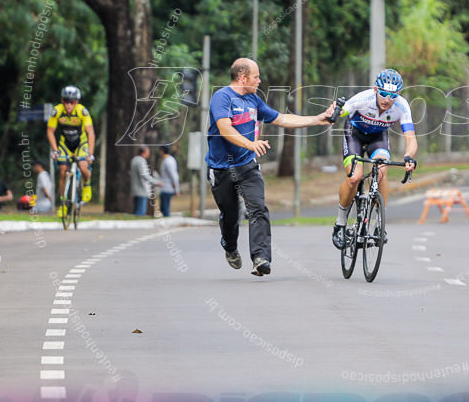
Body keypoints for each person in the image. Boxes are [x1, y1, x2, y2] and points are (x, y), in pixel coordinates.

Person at [206, 57, 336, 276]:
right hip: (221, 169)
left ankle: (260, 258)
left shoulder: (254, 100)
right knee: (230, 215)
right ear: (243, 77)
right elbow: (224, 128)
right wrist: (250, 143)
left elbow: (283, 119)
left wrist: (317, 119)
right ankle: (229, 246)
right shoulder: (222, 97)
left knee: (258, 208)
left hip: (246, 165)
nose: (260, 80)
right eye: (256, 77)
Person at [331, 68, 418, 250]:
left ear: (398, 95)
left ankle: (379, 224)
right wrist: (335, 111)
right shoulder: (363, 98)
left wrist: (409, 157)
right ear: (376, 90)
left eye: (392, 95)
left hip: (378, 137)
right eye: (384, 94)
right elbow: (340, 113)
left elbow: (411, 138)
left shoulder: (401, 106)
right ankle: (340, 224)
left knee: (381, 170)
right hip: (354, 134)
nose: (387, 99)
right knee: (355, 177)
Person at [47, 85, 96, 217]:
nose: (69, 104)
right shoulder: (57, 111)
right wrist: (55, 150)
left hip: (81, 143)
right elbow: (50, 131)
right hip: (65, 144)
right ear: (62, 101)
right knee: (62, 172)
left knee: (83, 165)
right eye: (66, 101)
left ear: (77, 102)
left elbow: (90, 132)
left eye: (72, 102)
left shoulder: (82, 112)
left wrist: (90, 153)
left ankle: (87, 184)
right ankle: (63, 204)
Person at [130, 146, 160, 216]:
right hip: (142, 190)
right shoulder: (141, 161)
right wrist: (156, 182)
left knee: (137, 209)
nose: (148, 154)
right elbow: (145, 175)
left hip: (135, 189)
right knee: (140, 212)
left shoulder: (134, 159)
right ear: (144, 152)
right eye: (148, 152)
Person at [158, 145, 180, 217]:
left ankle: (167, 221)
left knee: (165, 208)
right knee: (163, 208)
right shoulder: (168, 160)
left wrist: (177, 190)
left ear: (162, 151)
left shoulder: (168, 161)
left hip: (167, 188)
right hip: (164, 188)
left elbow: (174, 176)